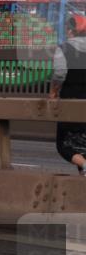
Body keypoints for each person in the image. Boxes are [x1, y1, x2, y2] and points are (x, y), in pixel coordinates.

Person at [50, 14, 86, 176]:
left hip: (71, 104)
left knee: (65, 145)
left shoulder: (63, 48)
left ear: (70, 30)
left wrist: (53, 92)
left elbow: (59, 74)